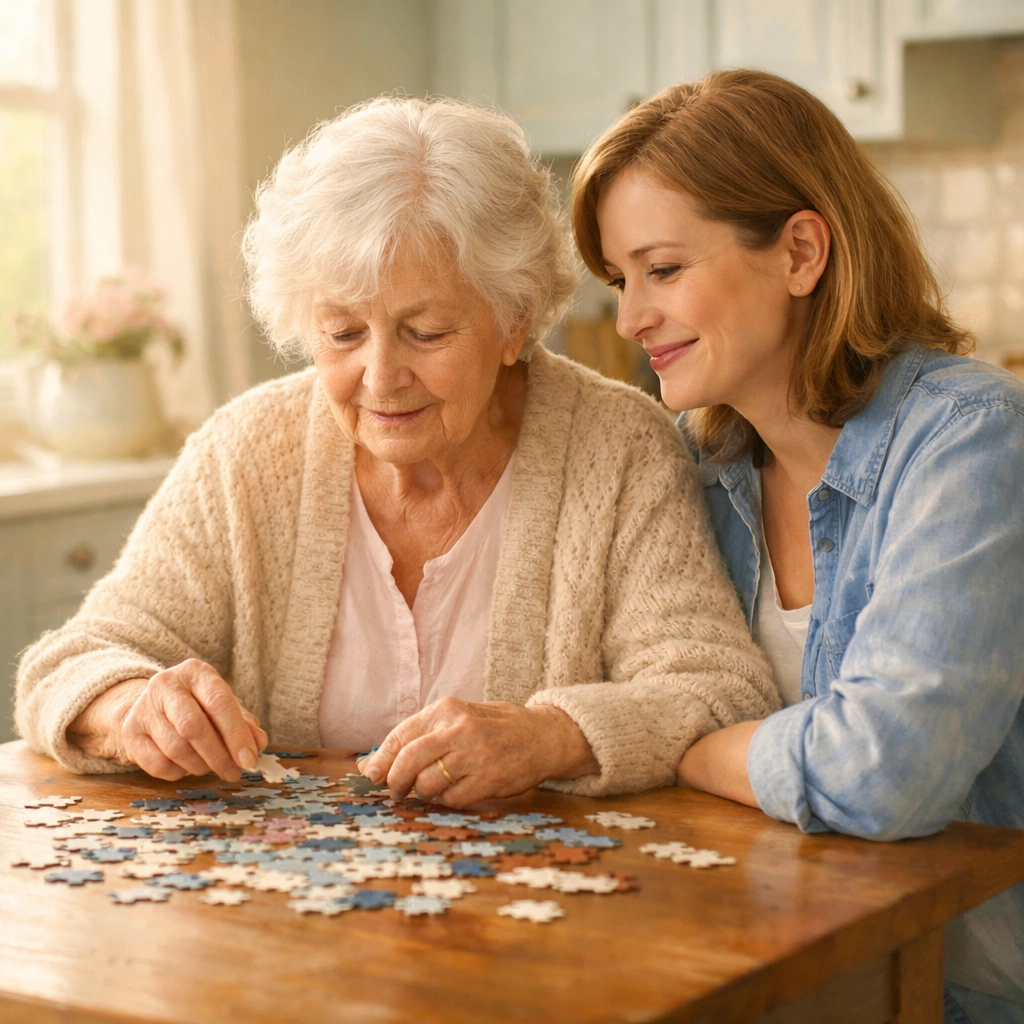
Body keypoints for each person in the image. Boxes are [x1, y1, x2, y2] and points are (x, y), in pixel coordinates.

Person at [15, 96, 776, 811]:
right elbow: (70, 663)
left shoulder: (618, 448)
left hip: (539, 924)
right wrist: (130, 708)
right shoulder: (247, 452)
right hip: (279, 917)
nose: (380, 378)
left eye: (427, 332)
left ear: (515, 320)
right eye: (343, 333)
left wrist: (552, 736)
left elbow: (716, 689)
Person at [571, 69, 1024, 1023]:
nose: (628, 319)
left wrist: (685, 743)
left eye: (663, 269)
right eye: (621, 281)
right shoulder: (704, 470)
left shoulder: (972, 439)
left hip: (970, 994)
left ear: (802, 251)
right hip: (799, 977)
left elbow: (885, 772)